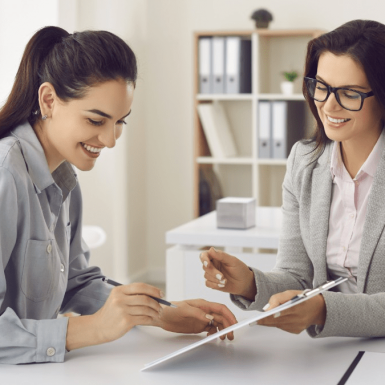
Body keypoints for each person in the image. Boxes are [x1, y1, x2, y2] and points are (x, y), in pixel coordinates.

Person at [0, 26, 237, 365]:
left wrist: (161, 313)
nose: (110, 140)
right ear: (49, 100)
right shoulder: (5, 175)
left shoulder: (64, 179)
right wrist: (95, 328)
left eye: (120, 122)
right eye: (96, 120)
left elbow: (76, 283)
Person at [200, 19, 385, 338]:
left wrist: (324, 310)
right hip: (326, 350)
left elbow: (319, 302)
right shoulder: (304, 162)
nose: (328, 105)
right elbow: (297, 277)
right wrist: (249, 282)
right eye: (322, 87)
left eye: (349, 93)